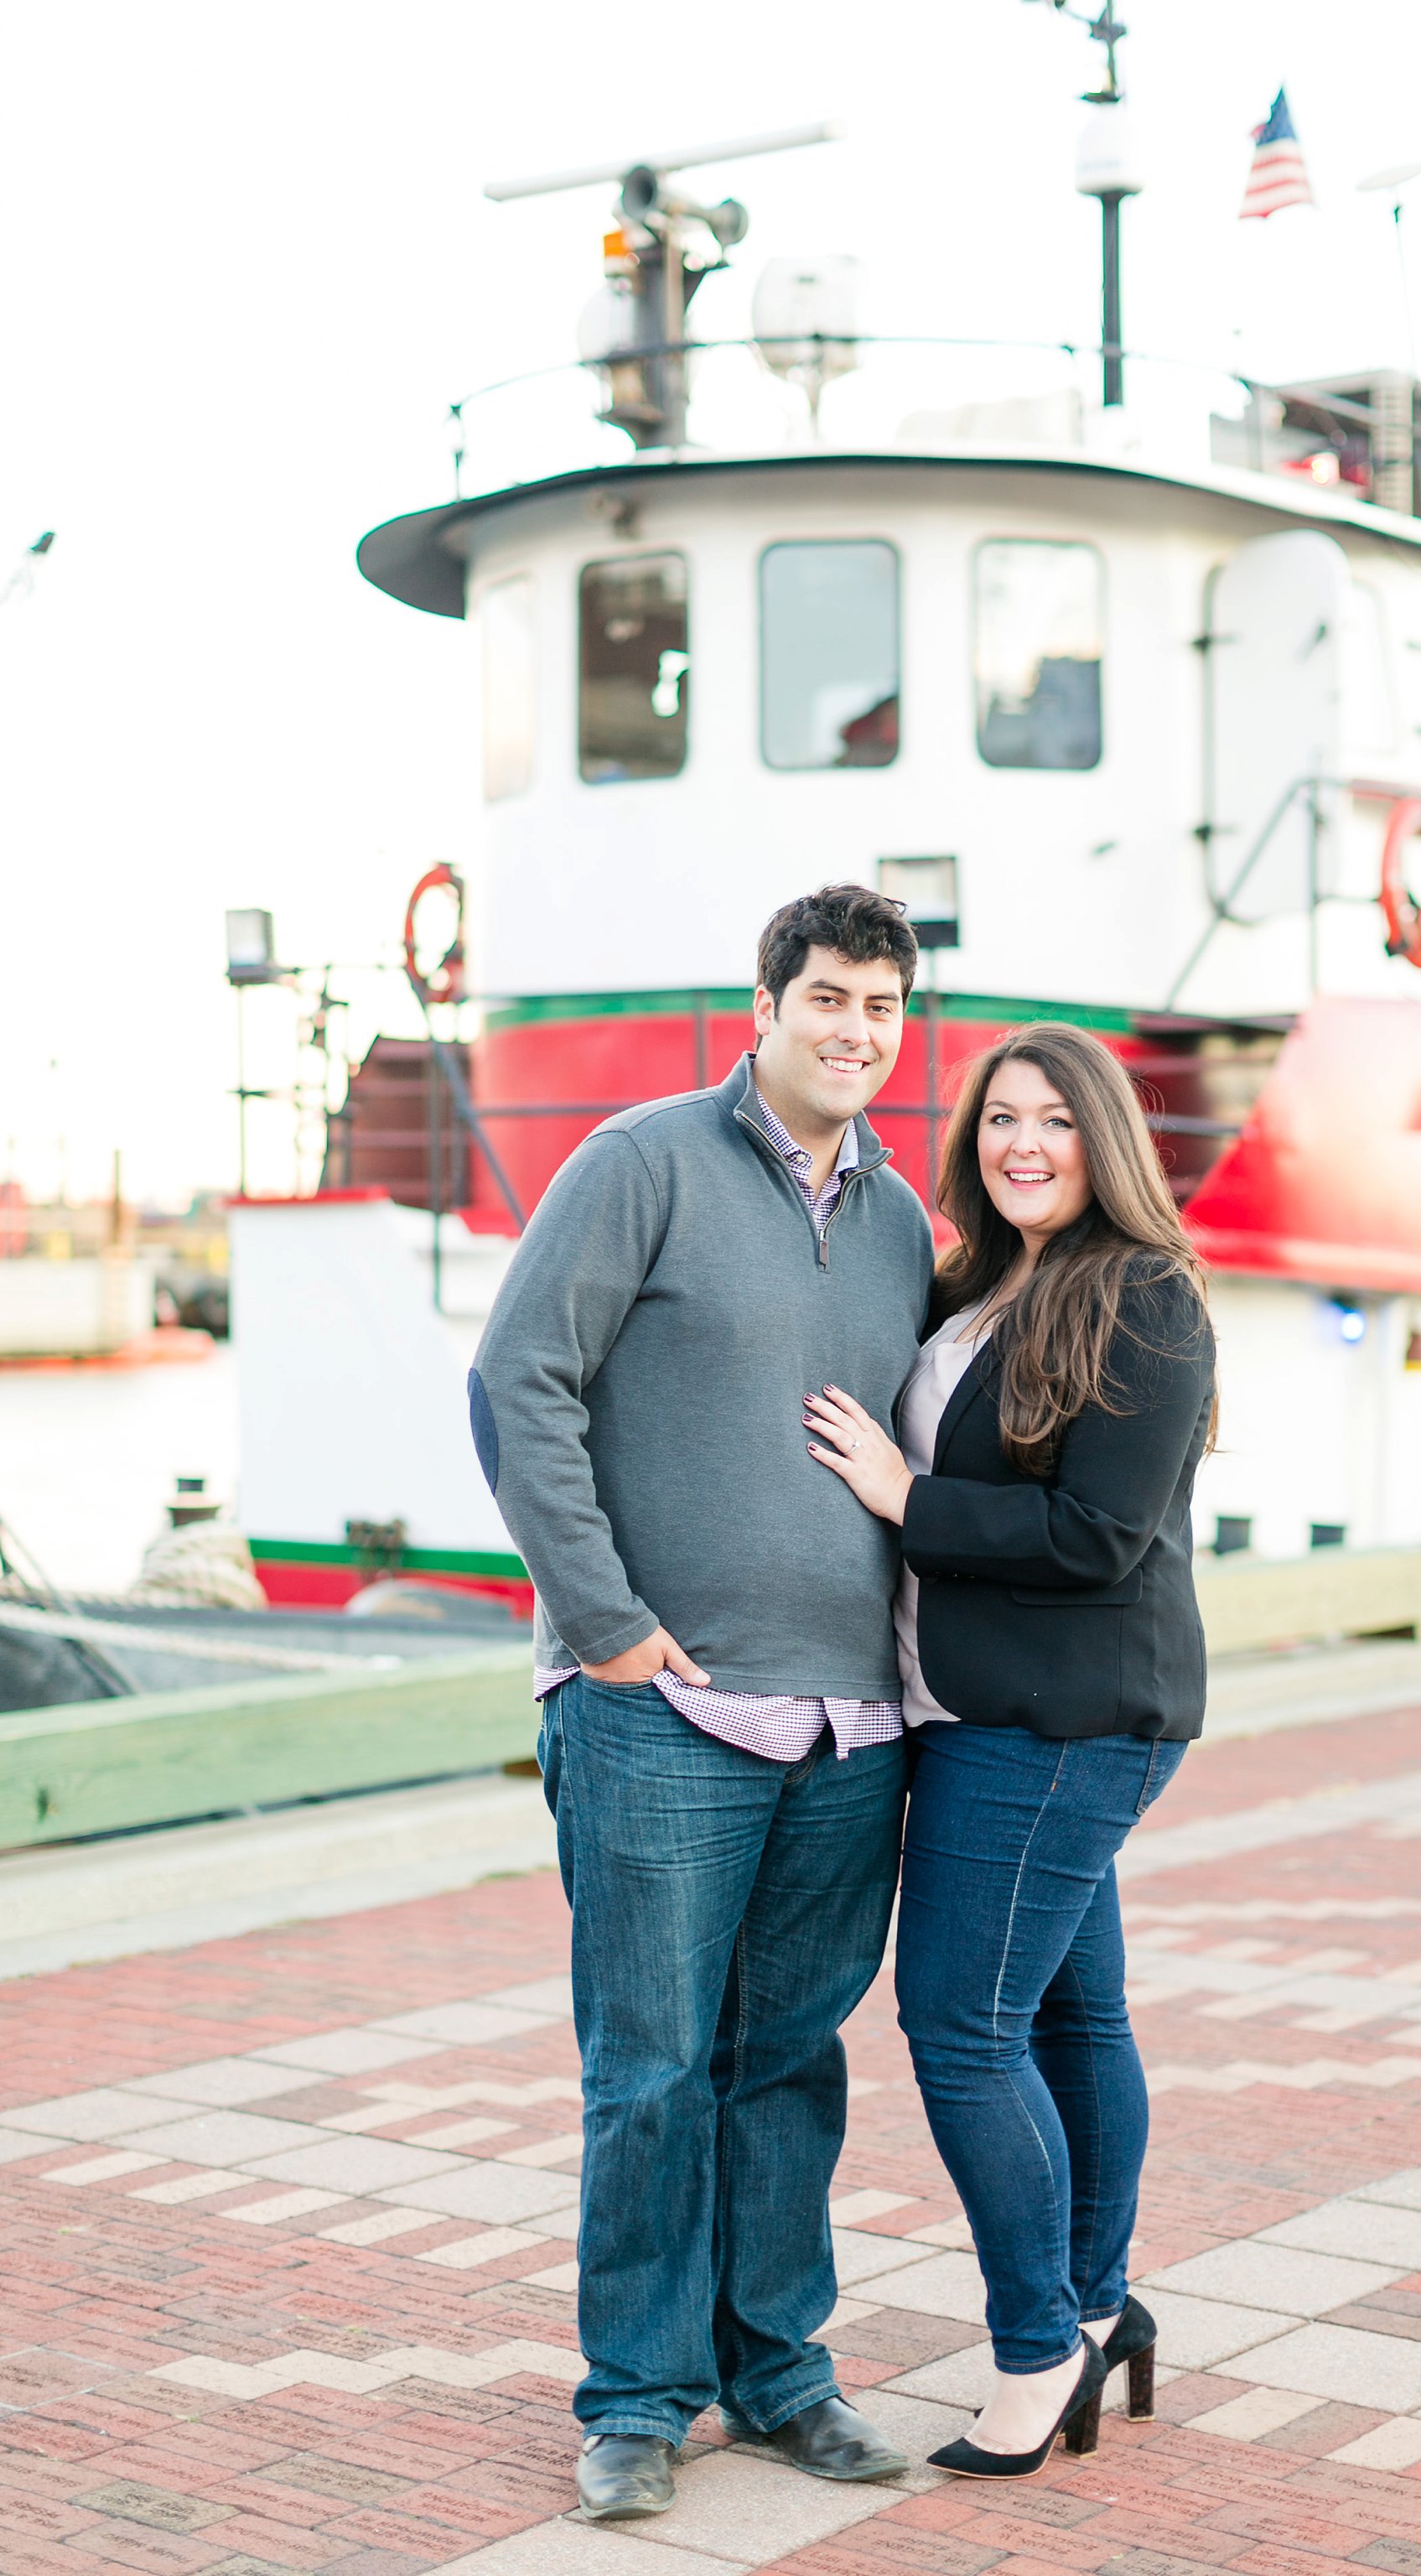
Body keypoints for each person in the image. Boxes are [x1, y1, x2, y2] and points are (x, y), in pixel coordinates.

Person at [469, 886, 933, 2522]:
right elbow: (516, 1377)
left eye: (880, 1006)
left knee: (789, 2060)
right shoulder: (640, 1161)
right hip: (661, 1714)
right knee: (653, 2066)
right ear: (764, 1004)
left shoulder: (895, 1222)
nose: (854, 1031)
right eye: (827, 998)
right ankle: (639, 2402)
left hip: (847, 1729)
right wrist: (600, 1622)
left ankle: (780, 2371)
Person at [803, 1022, 1216, 2482]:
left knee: (963, 2033)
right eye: (997, 1121)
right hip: (985, 1710)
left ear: (1104, 1137)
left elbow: (1100, 1536)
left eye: (1052, 1120)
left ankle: (1039, 2347)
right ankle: (1100, 2308)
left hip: (1056, 1723)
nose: (1022, 1144)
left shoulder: (1146, 1299)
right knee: (1072, 2020)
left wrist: (909, 1498)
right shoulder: (985, 1284)